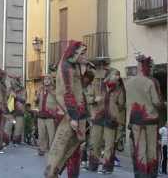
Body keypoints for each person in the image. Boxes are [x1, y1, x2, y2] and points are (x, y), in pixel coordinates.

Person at [44, 40, 90, 178]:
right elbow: (67, 92)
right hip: (69, 114)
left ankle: (56, 172)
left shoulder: (74, 66)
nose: (84, 55)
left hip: (77, 113)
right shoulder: (66, 67)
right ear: (74, 52)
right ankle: (51, 173)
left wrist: (84, 68)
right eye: (82, 53)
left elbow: (81, 86)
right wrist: (73, 117)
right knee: (59, 147)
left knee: (73, 147)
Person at [126, 54, 164, 178]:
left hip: (135, 120)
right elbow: (157, 102)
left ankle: (140, 174)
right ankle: (151, 174)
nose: (152, 69)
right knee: (152, 149)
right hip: (150, 120)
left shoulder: (129, 82)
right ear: (146, 67)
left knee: (139, 149)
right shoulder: (151, 81)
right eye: (151, 66)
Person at [89, 66, 126, 174]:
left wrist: (120, 122)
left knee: (109, 145)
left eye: (118, 75)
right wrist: (94, 100)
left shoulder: (119, 89)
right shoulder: (98, 86)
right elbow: (88, 98)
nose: (117, 77)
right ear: (109, 76)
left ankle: (107, 167)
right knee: (95, 143)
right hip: (98, 118)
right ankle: (93, 165)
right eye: (115, 74)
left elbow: (122, 107)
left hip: (111, 120)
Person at [37, 74, 60, 156]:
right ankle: (41, 149)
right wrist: (38, 94)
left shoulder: (55, 90)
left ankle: (52, 150)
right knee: (41, 134)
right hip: (41, 115)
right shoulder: (41, 89)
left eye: (48, 79)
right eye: (45, 79)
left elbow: (58, 100)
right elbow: (36, 100)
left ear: (51, 81)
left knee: (51, 135)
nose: (46, 81)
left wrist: (50, 91)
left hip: (50, 116)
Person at [6, 75, 26, 145]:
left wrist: (16, 96)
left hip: (19, 111)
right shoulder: (9, 89)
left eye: (13, 81)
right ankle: (6, 141)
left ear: (17, 82)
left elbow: (24, 100)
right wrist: (8, 95)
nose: (12, 83)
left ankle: (16, 141)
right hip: (10, 112)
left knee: (18, 128)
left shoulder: (22, 89)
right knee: (8, 126)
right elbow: (5, 98)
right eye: (11, 81)